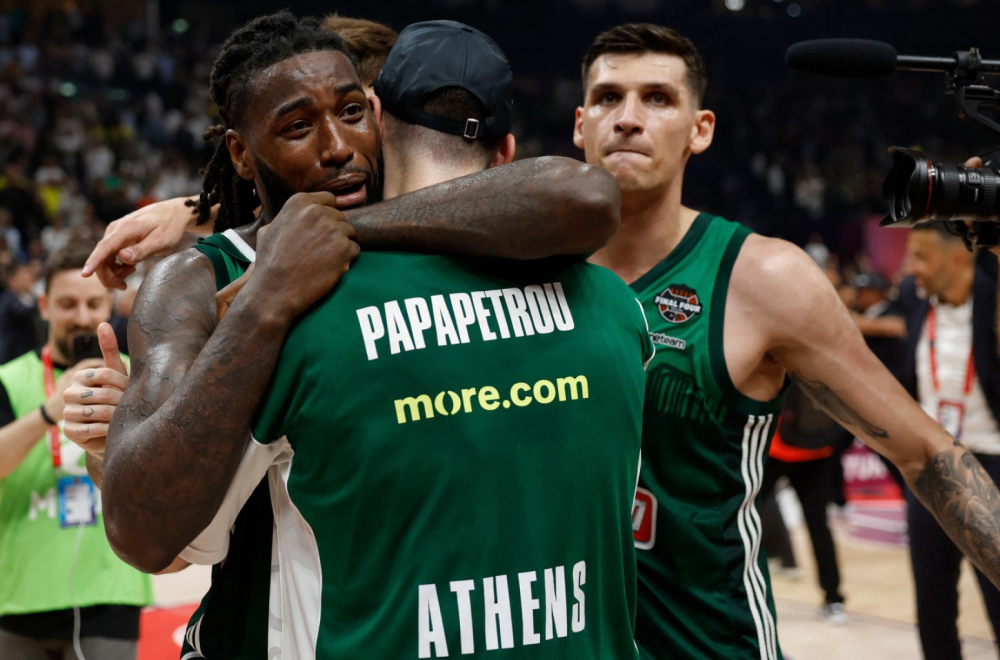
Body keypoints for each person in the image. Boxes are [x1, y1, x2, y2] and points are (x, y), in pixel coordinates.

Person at [65, 11, 623, 660]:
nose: (338, 147)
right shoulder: (195, 278)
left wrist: (251, 221)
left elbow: (581, 195)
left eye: (352, 112)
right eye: (298, 127)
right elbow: (156, 540)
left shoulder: (421, 232)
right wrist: (114, 448)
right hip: (256, 628)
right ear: (241, 153)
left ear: (379, 117)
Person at [573, 22, 1000, 659]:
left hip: (712, 646)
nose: (628, 118)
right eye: (608, 97)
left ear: (701, 129)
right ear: (580, 123)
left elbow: (926, 455)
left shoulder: (764, 278)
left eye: (658, 98)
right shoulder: (526, 268)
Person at [0, 243, 152, 660]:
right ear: (44, 307)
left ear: (109, 306)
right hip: (18, 595)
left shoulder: (139, 375)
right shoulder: (9, 378)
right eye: (68, 304)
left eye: (93, 304)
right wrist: (48, 412)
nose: (82, 317)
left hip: (111, 590)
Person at [899, 225, 1000, 660]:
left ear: (958, 259)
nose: (910, 268)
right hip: (932, 466)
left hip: (992, 464)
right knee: (933, 605)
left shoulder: (994, 296)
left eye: (921, 257)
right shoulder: (915, 298)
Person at [0, 260, 40, 364]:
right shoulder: (8, 298)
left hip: (25, 352)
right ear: (12, 280)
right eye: (24, 276)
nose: (29, 279)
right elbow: (22, 312)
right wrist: (41, 301)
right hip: (11, 355)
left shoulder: (25, 296)